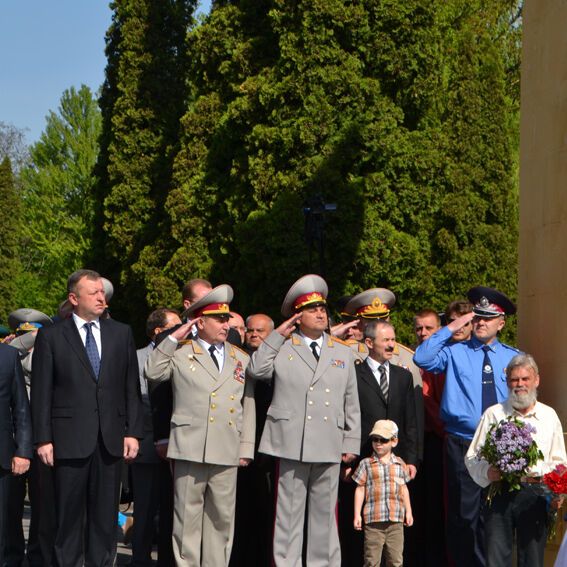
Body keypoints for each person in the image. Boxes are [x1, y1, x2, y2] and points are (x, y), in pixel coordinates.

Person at [31, 269, 143, 567]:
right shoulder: (52, 336)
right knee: (68, 519)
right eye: (92, 292)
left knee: (105, 519)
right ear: (73, 298)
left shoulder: (121, 333)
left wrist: (132, 432)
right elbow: (41, 392)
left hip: (109, 440)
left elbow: (130, 387)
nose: (100, 297)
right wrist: (43, 438)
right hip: (68, 440)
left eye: (102, 292)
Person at [247, 274, 361, 567]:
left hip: (328, 441)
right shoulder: (283, 346)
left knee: (325, 516)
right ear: (298, 317)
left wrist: (351, 440)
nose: (321, 313)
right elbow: (256, 370)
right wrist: (276, 334)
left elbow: (351, 401)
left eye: (322, 308)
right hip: (291, 441)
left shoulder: (342, 351)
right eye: (312, 310)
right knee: (288, 515)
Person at [145, 284, 255, 567]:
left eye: (227, 318)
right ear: (199, 321)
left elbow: (247, 406)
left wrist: (246, 446)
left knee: (221, 521)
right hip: (190, 446)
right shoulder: (180, 352)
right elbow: (153, 371)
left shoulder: (239, 357)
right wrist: (174, 337)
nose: (225, 324)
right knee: (187, 522)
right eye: (218, 318)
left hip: (226, 447)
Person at [414, 286, 518, 567]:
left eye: (487, 318)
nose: (481, 322)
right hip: (463, 442)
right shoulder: (455, 352)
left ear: (501, 322)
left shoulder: (512, 357)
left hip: (500, 446)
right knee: (463, 516)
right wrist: (454, 325)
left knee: (496, 514)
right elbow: (422, 358)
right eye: (477, 317)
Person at [465, 353, 566, 567]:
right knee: (496, 559)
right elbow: (473, 457)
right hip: (499, 491)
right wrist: (487, 472)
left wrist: (558, 491)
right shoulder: (494, 414)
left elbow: (560, 462)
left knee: (532, 560)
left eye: (524, 379)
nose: (519, 384)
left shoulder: (549, 416)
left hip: (536, 493)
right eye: (514, 380)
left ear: (536, 380)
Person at [341, 319, 418, 566]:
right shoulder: (353, 374)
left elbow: (410, 421)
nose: (392, 344)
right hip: (362, 459)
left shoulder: (402, 376)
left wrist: (411, 459)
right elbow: (345, 416)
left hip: (394, 463)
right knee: (362, 528)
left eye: (393, 339)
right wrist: (348, 455)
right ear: (369, 342)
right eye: (386, 340)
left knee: (396, 532)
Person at [131, 308, 181, 566]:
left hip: (181, 445)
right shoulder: (139, 358)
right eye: (175, 326)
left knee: (175, 512)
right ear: (159, 331)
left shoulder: (186, 353)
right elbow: (140, 401)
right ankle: (139, 559)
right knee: (145, 509)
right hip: (149, 445)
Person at [353, 420, 413, 567]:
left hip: (396, 522)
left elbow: (404, 489)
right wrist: (357, 514)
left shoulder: (400, 464)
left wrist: (409, 512)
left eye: (383, 440)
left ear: (394, 441)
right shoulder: (366, 464)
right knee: (371, 560)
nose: (378, 443)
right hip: (373, 522)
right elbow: (360, 488)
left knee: (396, 560)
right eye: (375, 439)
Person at [0, 342, 32, 565]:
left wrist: (22, 450)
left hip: (2, 456)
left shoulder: (8, 356)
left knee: (5, 523)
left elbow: (20, 407)